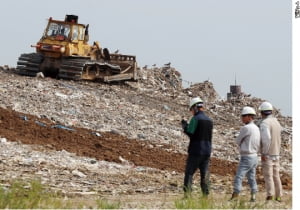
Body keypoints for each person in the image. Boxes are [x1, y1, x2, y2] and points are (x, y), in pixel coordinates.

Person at [181, 97, 213, 197]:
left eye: (191, 109)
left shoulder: (195, 119)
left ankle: (187, 195)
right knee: (205, 174)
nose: (191, 112)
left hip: (196, 150)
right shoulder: (209, 120)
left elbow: (190, 132)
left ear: (195, 107)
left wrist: (185, 126)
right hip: (207, 151)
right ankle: (205, 195)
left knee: (189, 173)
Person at [230, 106, 260, 202]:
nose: (242, 118)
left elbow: (237, 141)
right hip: (255, 156)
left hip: (246, 156)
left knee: (239, 176)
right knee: (251, 177)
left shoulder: (246, 128)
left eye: (244, 116)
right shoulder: (256, 128)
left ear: (249, 117)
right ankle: (254, 195)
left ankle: (236, 195)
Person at [258, 101, 283, 202]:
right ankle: (279, 196)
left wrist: (264, 152)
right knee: (276, 175)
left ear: (262, 112)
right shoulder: (276, 122)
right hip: (276, 153)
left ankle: (270, 195)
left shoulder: (265, 123)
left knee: (268, 176)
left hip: (268, 154)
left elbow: (267, 139)